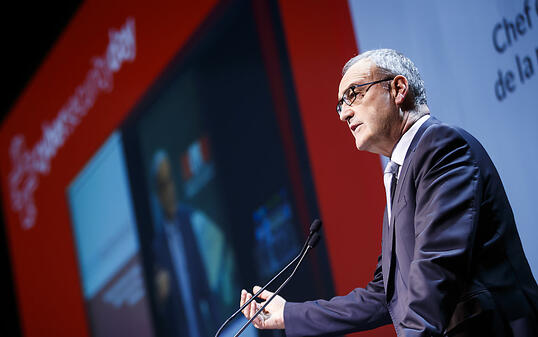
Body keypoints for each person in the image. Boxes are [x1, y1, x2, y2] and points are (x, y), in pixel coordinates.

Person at [239, 49, 538, 337]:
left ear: (397, 89)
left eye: (353, 94)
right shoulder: (402, 173)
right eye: (340, 104)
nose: (344, 113)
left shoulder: (441, 147)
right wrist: (288, 314)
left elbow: (435, 272)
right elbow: (386, 293)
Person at [151, 150, 218, 337]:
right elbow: (163, 312)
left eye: (170, 182)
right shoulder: (157, 246)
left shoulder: (193, 220)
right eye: (163, 186)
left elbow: (209, 283)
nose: (169, 191)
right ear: (157, 193)